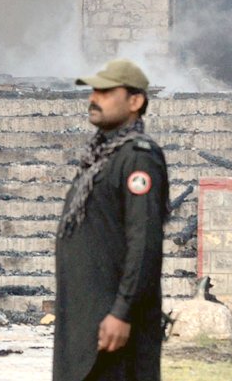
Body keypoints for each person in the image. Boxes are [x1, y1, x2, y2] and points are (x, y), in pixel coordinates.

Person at [54, 59, 170, 381]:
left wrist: (122, 312)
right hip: (87, 322)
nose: (94, 97)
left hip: (114, 327)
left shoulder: (138, 157)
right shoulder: (100, 156)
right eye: (94, 90)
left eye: (106, 91)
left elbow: (144, 241)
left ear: (135, 101)